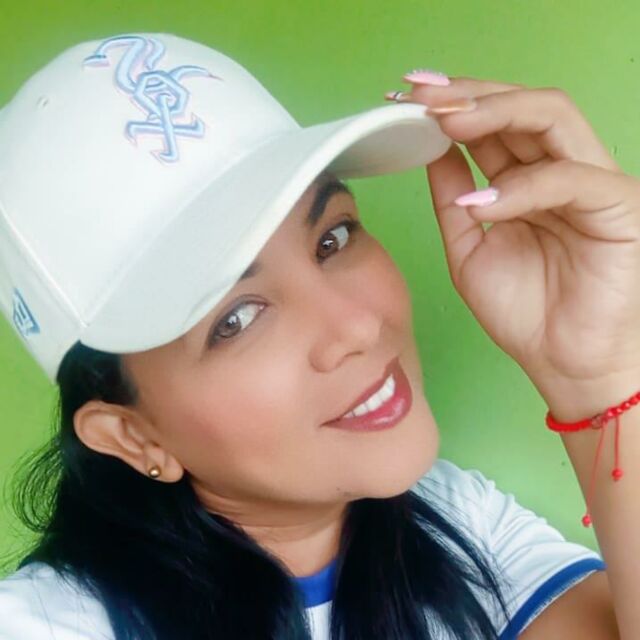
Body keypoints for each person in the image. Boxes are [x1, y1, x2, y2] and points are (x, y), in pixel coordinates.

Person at [0, 31, 631, 639]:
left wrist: (598, 374)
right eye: (235, 319)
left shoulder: (453, 522)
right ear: (134, 436)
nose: (357, 325)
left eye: (332, 238)